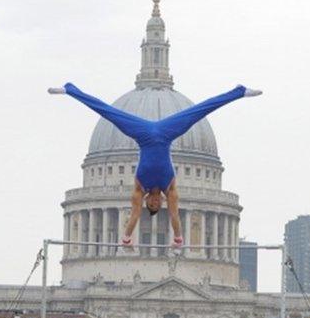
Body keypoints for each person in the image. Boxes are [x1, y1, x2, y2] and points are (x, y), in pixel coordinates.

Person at [50, 82, 261, 248]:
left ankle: (239, 91)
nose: (153, 203)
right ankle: (70, 89)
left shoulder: (139, 189)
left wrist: (126, 237)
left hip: (144, 134)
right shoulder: (170, 190)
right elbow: (174, 216)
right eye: (155, 205)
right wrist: (178, 238)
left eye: (149, 205)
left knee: (200, 110)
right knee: (106, 111)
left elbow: (134, 216)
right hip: (164, 133)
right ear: (159, 201)